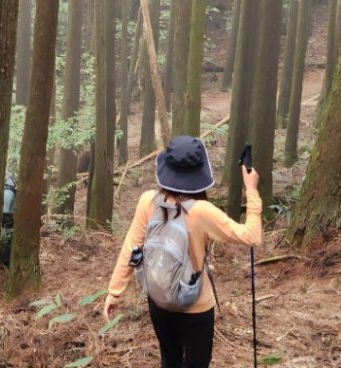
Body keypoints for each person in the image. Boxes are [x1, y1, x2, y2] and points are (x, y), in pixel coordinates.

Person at [103, 135, 262, 368]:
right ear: (200, 172)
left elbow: (131, 246)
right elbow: (252, 236)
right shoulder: (201, 211)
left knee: (170, 359)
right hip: (195, 305)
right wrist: (252, 190)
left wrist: (114, 292)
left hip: (159, 299)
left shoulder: (148, 201)